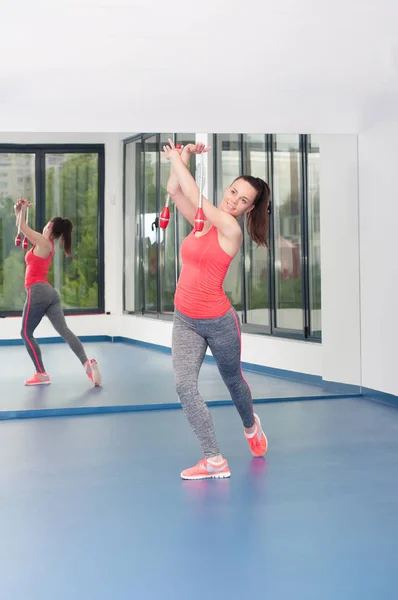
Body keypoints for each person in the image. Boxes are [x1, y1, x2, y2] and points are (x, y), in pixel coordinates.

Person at [162, 139, 270, 480]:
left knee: (232, 380)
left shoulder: (229, 228)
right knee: (184, 386)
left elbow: (194, 195)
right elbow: (176, 190)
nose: (234, 200)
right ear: (228, 188)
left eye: (243, 200)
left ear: (249, 208)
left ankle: (251, 426)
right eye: (233, 192)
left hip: (218, 321)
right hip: (185, 319)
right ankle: (213, 459)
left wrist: (177, 157)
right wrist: (184, 157)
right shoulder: (202, 221)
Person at [14, 198, 102, 387]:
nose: (44, 226)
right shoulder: (47, 245)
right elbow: (19, 225)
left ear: (50, 228)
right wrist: (18, 209)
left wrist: (21, 211)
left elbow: (22, 227)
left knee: (25, 333)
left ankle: (41, 373)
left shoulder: (43, 241)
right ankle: (87, 364)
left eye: (46, 224)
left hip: (37, 291)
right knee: (64, 330)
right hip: (50, 293)